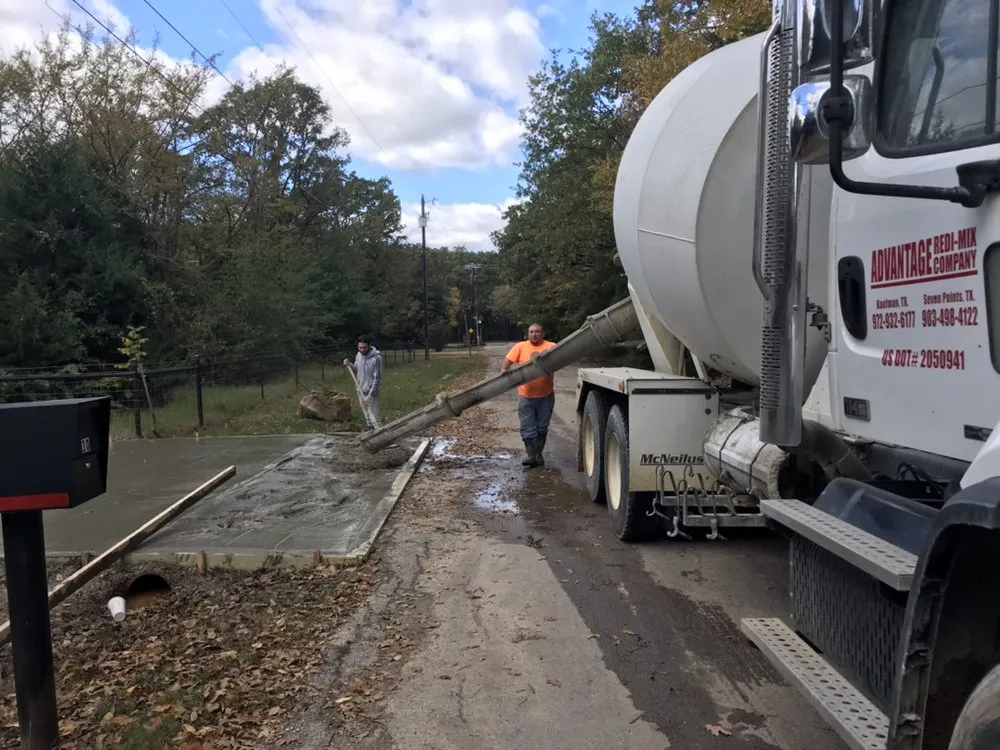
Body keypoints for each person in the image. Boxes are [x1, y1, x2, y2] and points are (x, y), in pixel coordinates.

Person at [501, 323, 557, 467]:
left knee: (542, 427)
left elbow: (561, 359)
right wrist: (504, 371)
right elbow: (507, 363)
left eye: (537, 332)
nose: (534, 334)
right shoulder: (520, 347)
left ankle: (538, 454)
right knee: (528, 428)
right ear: (528, 334)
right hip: (526, 397)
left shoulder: (551, 346)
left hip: (546, 396)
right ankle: (531, 455)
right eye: (531, 332)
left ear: (542, 334)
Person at [343, 336, 384, 428]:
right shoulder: (358, 355)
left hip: (371, 392)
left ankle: (380, 435)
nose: (362, 350)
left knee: (375, 417)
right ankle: (370, 432)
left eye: (364, 347)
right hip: (360, 390)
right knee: (367, 416)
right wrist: (349, 364)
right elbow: (356, 369)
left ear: (369, 346)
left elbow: (377, 379)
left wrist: (370, 396)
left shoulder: (376, 359)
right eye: (360, 347)